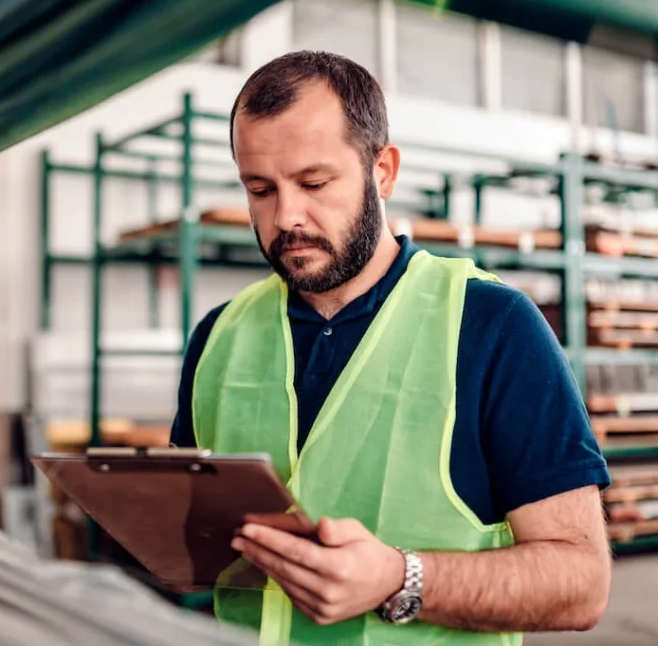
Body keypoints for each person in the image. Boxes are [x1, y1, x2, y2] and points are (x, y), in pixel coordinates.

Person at [169, 50, 612, 645]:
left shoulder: (490, 325)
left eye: (314, 182)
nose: (286, 216)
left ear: (383, 172)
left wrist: (399, 579)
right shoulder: (219, 336)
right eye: (260, 189)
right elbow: (191, 542)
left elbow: (580, 581)